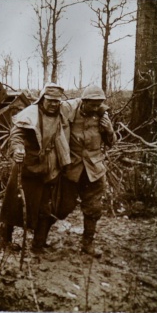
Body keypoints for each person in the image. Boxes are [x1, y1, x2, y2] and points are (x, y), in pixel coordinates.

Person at [0, 83, 71, 254]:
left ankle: (38, 244)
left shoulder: (61, 114)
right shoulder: (30, 114)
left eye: (57, 101)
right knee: (14, 205)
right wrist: (17, 148)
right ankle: (5, 240)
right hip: (27, 166)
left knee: (46, 207)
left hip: (49, 167)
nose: (53, 104)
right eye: (50, 100)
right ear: (42, 98)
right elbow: (16, 135)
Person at [61, 85, 116, 256]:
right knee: (62, 206)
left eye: (98, 104)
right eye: (92, 104)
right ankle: (40, 241)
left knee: (94, 209)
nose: (96, 108)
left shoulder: (102, 116)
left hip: (94, 170)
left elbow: (111, 142)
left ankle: (87, 244)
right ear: (84, 102)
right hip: (72, 168)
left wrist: (109, 129)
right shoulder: (70, 112)